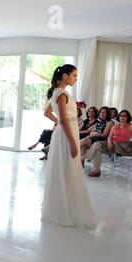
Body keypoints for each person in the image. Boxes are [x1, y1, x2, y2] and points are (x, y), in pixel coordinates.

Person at [41, 64, 97, 230]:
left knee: (64, 168)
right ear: (64, 76)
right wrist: (74, 143)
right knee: (68, 168)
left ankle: (63, 205)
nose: (75, 78)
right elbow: (64, 120)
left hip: (63, 132)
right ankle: (66, 209)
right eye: (74, 75)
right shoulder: (62, 94)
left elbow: (47, 113)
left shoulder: (56, 93)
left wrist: (59, 119)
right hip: (67, 134)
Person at [83, 110, 132, 177]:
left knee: (97, 147)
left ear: (128, 117)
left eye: (124, 116)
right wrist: (109, 143)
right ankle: (97, 170)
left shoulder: (130, 126)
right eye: (121, 115)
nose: (122, 117)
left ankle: (83, 159)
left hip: (122, 147)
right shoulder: (115, 126)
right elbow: (109, 137)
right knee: (97, 145)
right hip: (111, 144)